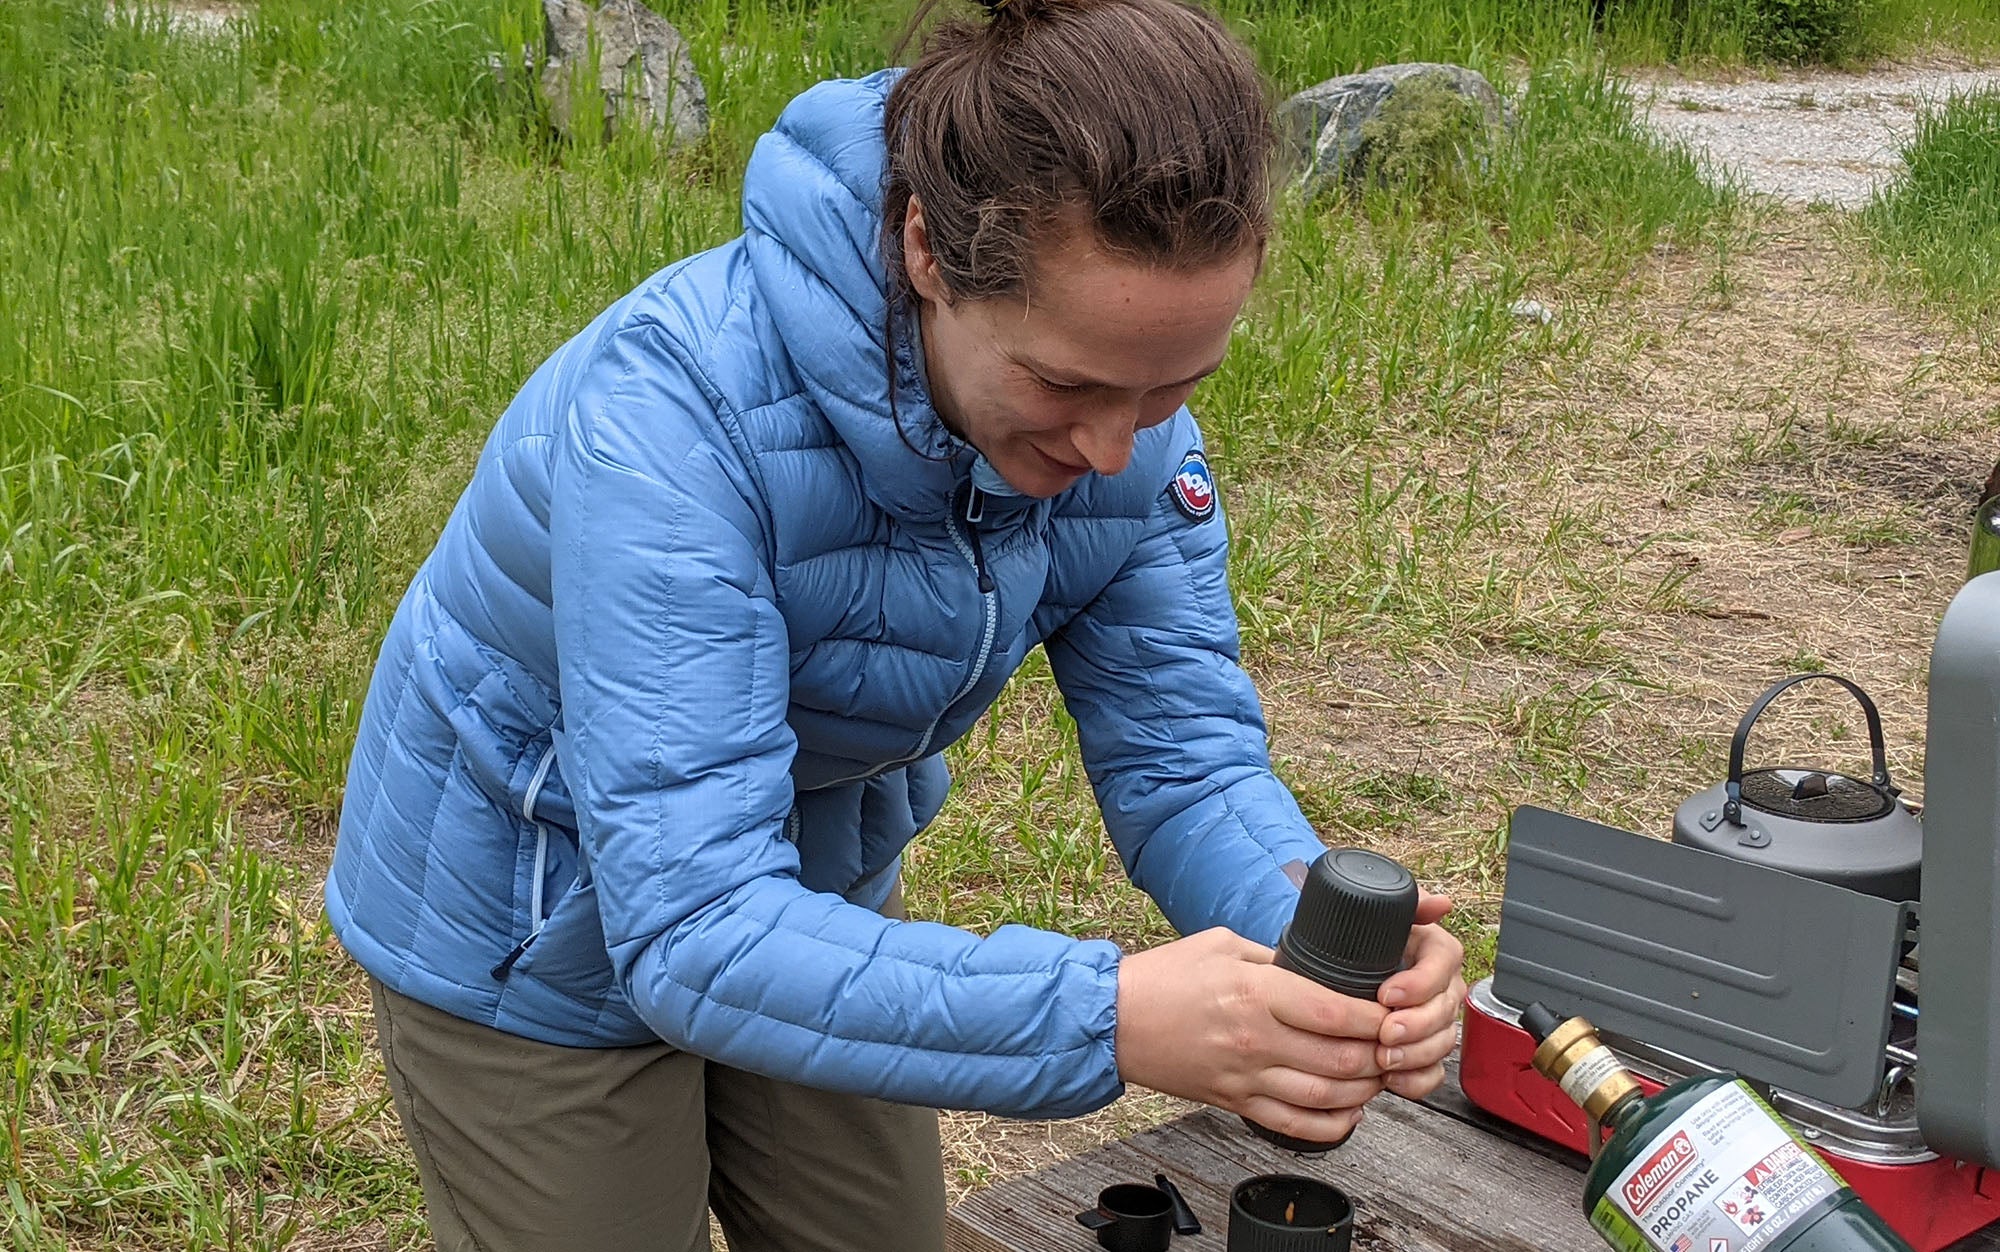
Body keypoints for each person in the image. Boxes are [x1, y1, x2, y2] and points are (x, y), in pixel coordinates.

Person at [326, 0, 1467, 1248]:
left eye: (1175, 386)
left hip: (801, 883)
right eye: (1064, 384)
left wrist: (1301, 922)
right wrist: (1114, 1013)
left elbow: (1183, 757)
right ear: (925, 249)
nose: (1110, 446)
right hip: (535, 908)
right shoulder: (669, 424)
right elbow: (693, 927)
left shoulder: (1127, 431)